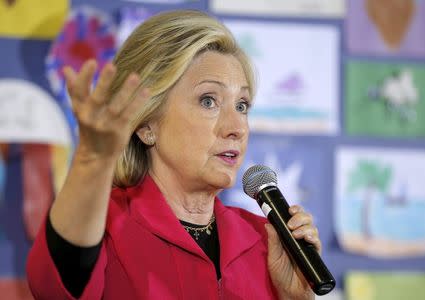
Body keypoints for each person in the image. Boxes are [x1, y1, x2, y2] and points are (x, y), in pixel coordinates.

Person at [26, 10, 322, 300]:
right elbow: (52, 289)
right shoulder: (101, 228)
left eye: (242, 105)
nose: (237, 128)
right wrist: (92, 159)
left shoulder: (267, 242)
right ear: (146, 125)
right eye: (209, 101)